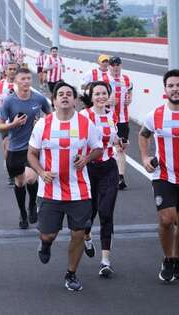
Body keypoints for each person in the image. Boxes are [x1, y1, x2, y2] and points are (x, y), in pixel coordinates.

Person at [28, 82, 103, 291]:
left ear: (75, 99)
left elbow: (98, 148)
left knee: (78, 233)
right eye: (60, 94)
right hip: (50, 191)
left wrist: (86, 158)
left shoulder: (86, 124)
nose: (65, 97)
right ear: (53, 100)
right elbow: (31, 153)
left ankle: (71, 273)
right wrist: (42, 172)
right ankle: (45, 244)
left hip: (79, 190)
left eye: (69, 94)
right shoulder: (43, 124)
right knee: (48, 234)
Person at [138, 69, 179, 282]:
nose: (175, 89)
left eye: (178, 85)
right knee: (167, 219)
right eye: (171, 85)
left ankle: (177, 258)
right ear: (165, 90)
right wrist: (145, 158)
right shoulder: (155, 115)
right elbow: (143, 135)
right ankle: (168, 259)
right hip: (164, 175)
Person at [0, 68, 51, 229]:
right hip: (15, 148)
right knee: (19, 183)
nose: (26, 81)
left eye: (28, 78)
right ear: (16, 82)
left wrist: (42, 124)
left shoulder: (39, 99)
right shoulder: (8, 101)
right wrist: (12, 124)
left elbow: (51, 117)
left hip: (33, 148)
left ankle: (32, 205)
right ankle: (23, 212)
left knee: (31, 178)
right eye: (23, 79)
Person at [78, 81, 120, 277]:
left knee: (106, 213)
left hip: (109, 168)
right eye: (97, 94)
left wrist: (120, 143)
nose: (101, 97)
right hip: (88, 169)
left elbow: (113, 139)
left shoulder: (113, 115)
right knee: (89, 215)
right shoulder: (84, 116)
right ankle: (87, 235)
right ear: (91, 96)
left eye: (104, 93)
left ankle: (105, 261)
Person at [108, 56, 133, 190]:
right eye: (113, 65)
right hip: (107, 119)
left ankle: (120, 177)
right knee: (104, 147)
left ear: (121, 66)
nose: (115, 67)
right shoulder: (104, 79)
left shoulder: (127, 79)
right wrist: (107, 102)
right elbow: (93, 97)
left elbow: (130, 91)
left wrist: (130, 99)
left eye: (118, 64)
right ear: (109, 66)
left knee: (121, 147)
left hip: (123, 119)